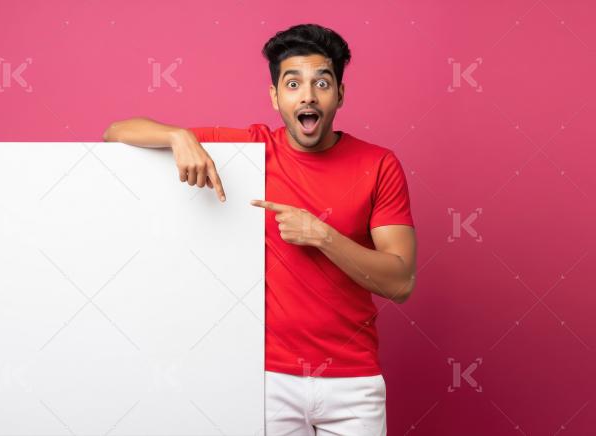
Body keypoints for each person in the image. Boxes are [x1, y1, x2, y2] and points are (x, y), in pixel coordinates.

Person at [103, 23, 417, 436]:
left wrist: (322, 236)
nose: (308, 95)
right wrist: (178, 136)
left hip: (354, 382)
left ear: (340, 94)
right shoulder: (251, 151)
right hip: (267, 380)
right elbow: (115, 133)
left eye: (322, 83)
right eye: (293, 84)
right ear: (274, 96)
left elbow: (401, 282)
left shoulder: (379, 165)